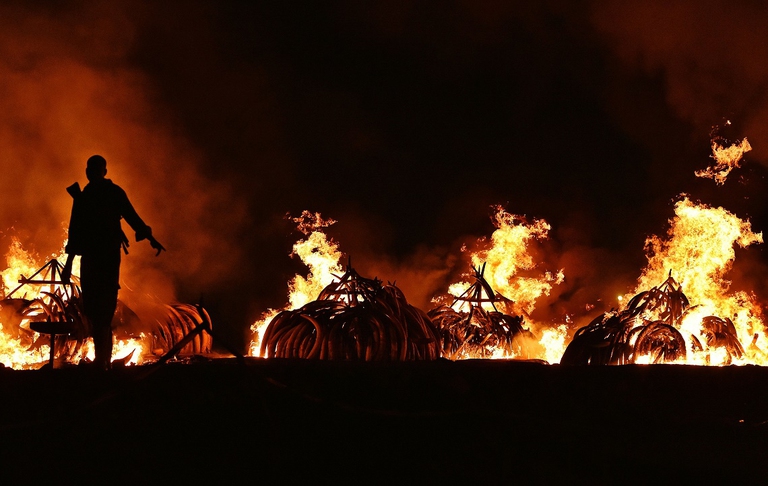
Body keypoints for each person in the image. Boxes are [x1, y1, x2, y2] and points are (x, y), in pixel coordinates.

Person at [62, 155, 165, 369]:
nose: (91, 172)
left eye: (96, 168)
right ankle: (102, 361)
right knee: (92, 310)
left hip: (107, 259)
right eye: (89, 168)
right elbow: (75, 232)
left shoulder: (112, 193)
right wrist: (69, 264)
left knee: (104, 310)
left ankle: (103, 362)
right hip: (91, 259)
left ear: (104, 171)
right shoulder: (84, 197)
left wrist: (151, 238)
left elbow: (132, 216)